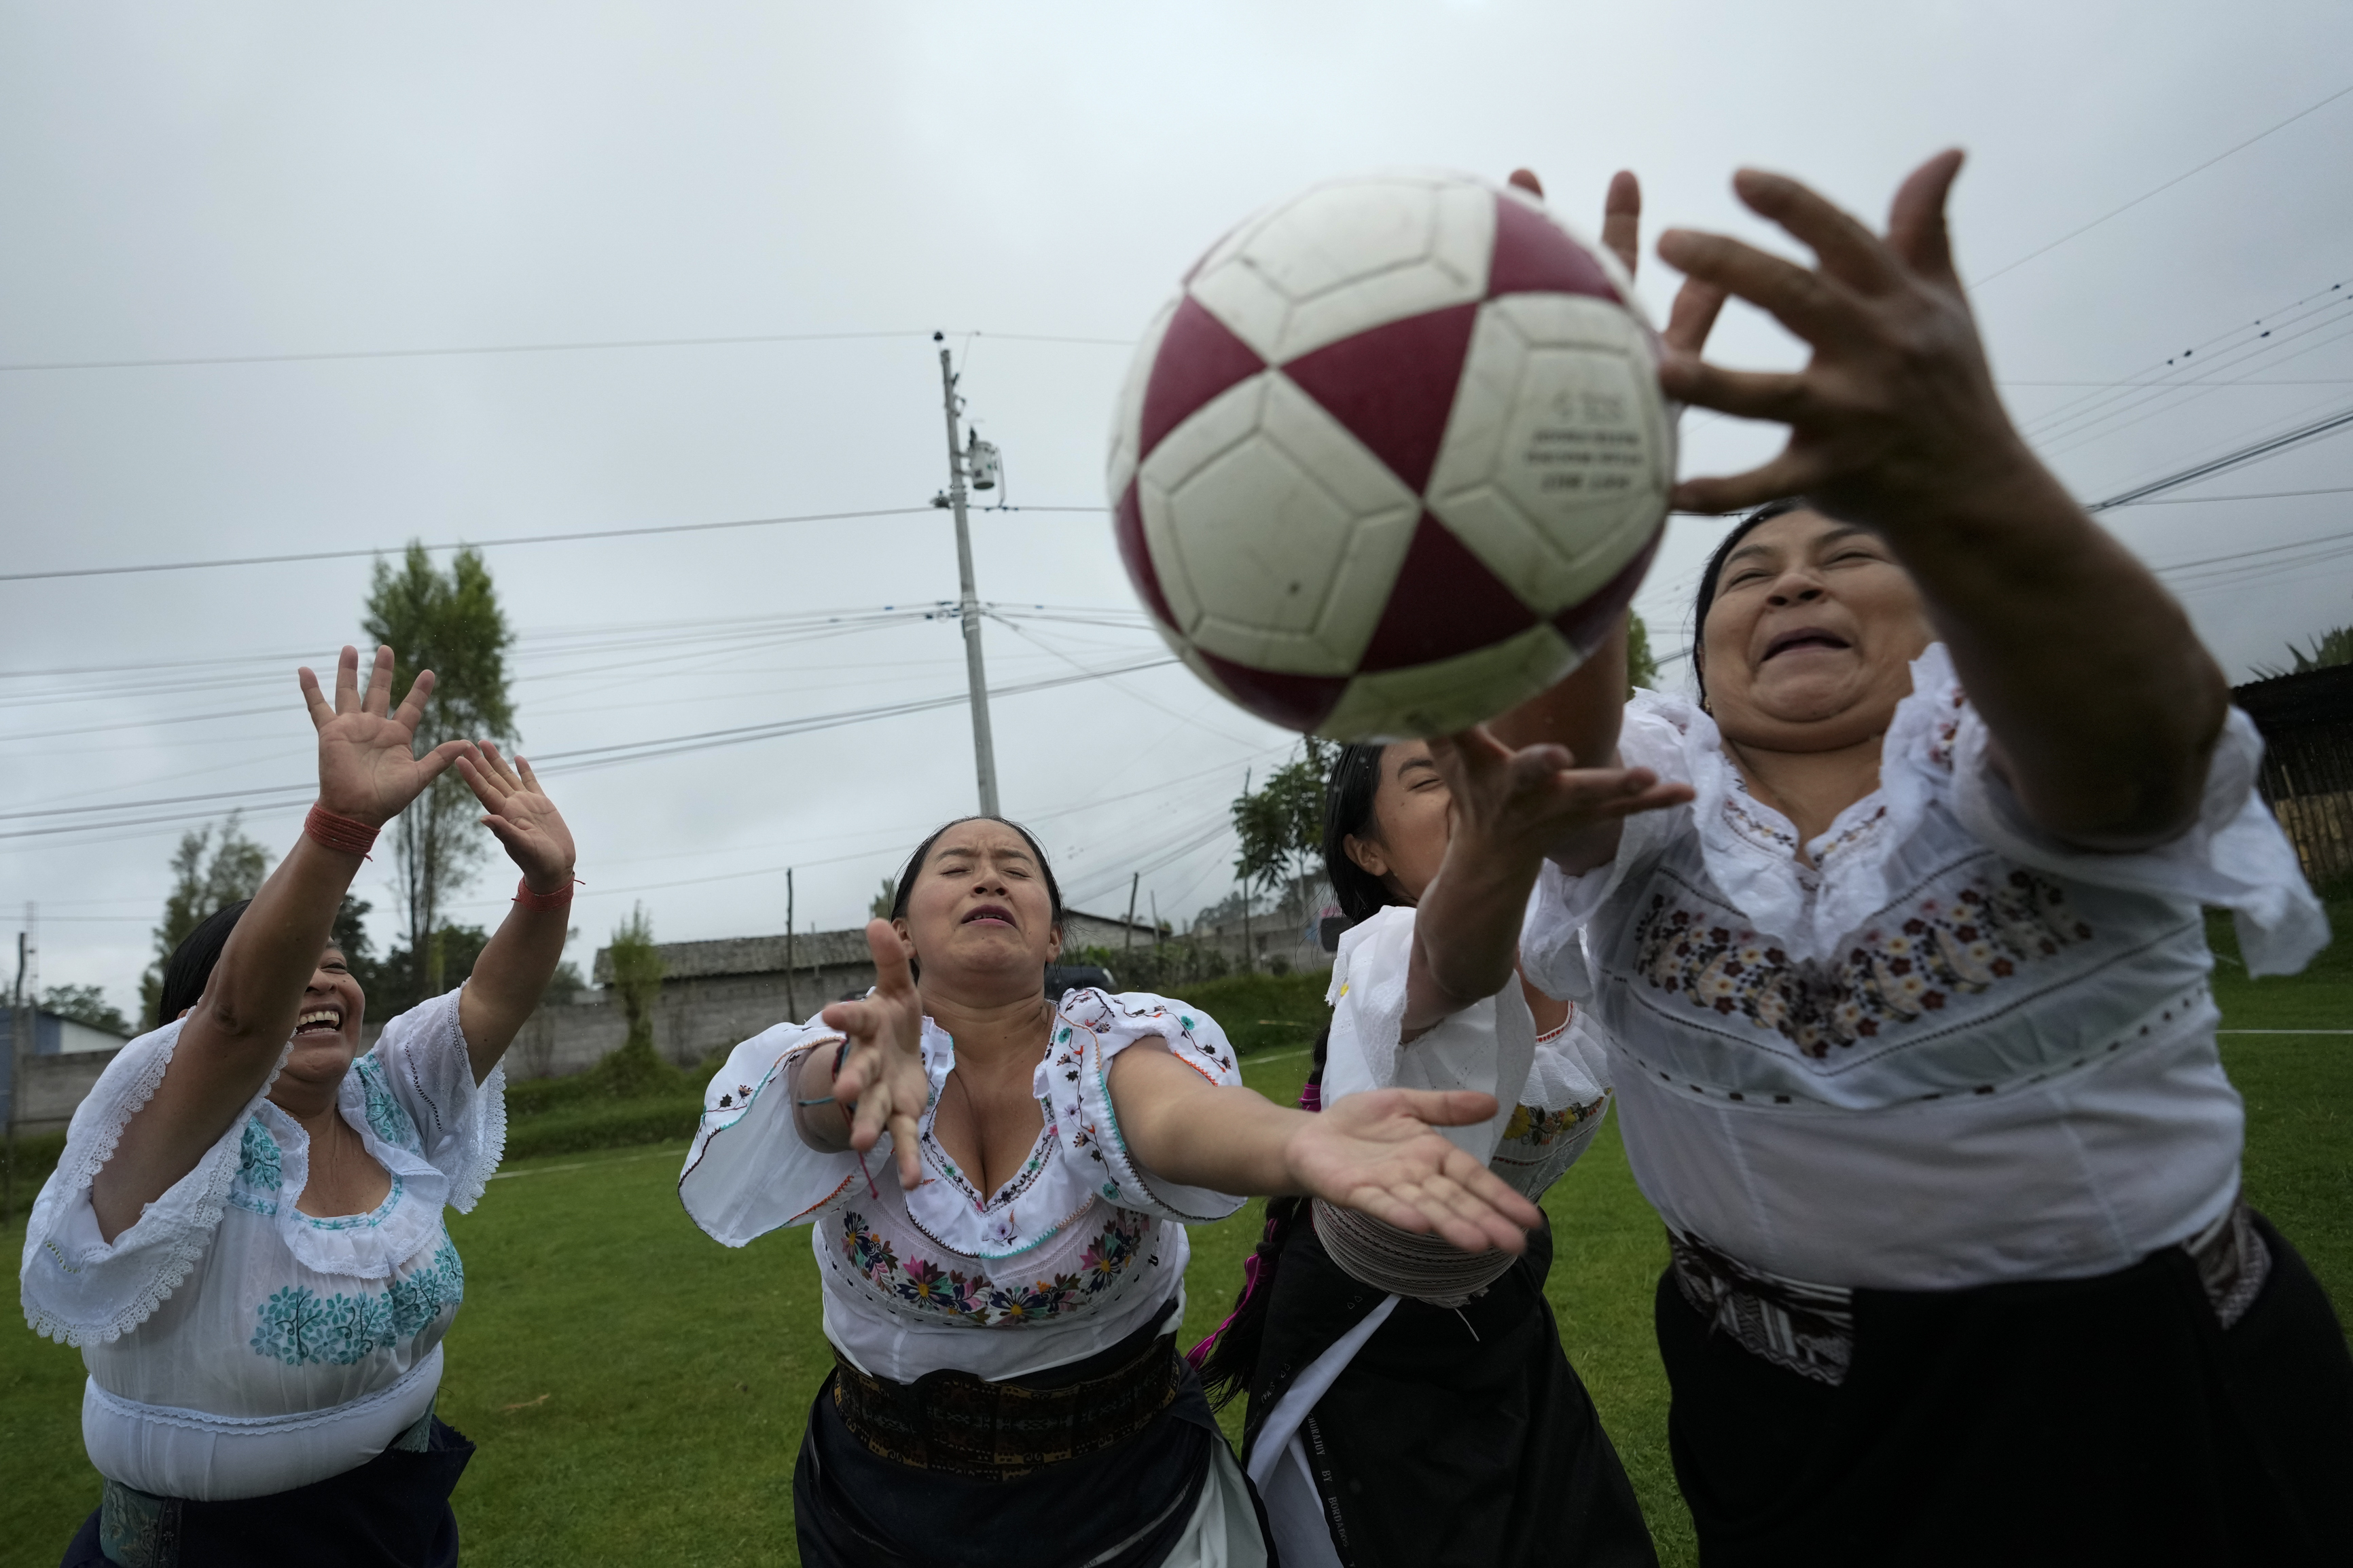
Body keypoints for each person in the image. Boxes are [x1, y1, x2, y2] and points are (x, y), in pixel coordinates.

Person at [1417, 151, 2353, 1564]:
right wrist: (1585, 486)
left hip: (2148, 1385)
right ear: (1704, 654)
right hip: (1774, 1408)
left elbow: (2141, 754)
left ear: (1946, 608)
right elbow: (1554, 769)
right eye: (1745, 572)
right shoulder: (1666, 786)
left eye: (1852, 548)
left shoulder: (1996, 736)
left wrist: (1970, 475)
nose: (1791, 575)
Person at [677, 813, 1544, 1568]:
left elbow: (1172, 1115)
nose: (988, 873)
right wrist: (855, 1076)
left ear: (1053, 935)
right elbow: (815, 1107)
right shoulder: (838, 1042)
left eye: (1016, 869)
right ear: (901, 931)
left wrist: (1297, 1140)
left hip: (1135, 1502)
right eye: (957, 865)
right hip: (880, 1508)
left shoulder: (1107, 1041)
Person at [21, 646, 578, 1568]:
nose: (324, 978)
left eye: (340, 962)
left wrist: (549, 888)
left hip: (398, 1526)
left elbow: (493, 998)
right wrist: (340, 829)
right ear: (185, 1035)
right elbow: (241, 1019)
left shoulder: (386, 1100)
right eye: (298, 967)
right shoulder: (167, 1142)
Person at [1196, 736, 1657, 1568]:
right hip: (1370, 1331)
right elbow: (1454, 959)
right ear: (1368, 851)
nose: (1474, 785)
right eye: (1430, 778)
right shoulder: (1391, 946)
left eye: (1483, 765)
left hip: (1500, 1302)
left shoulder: (1571, 948)